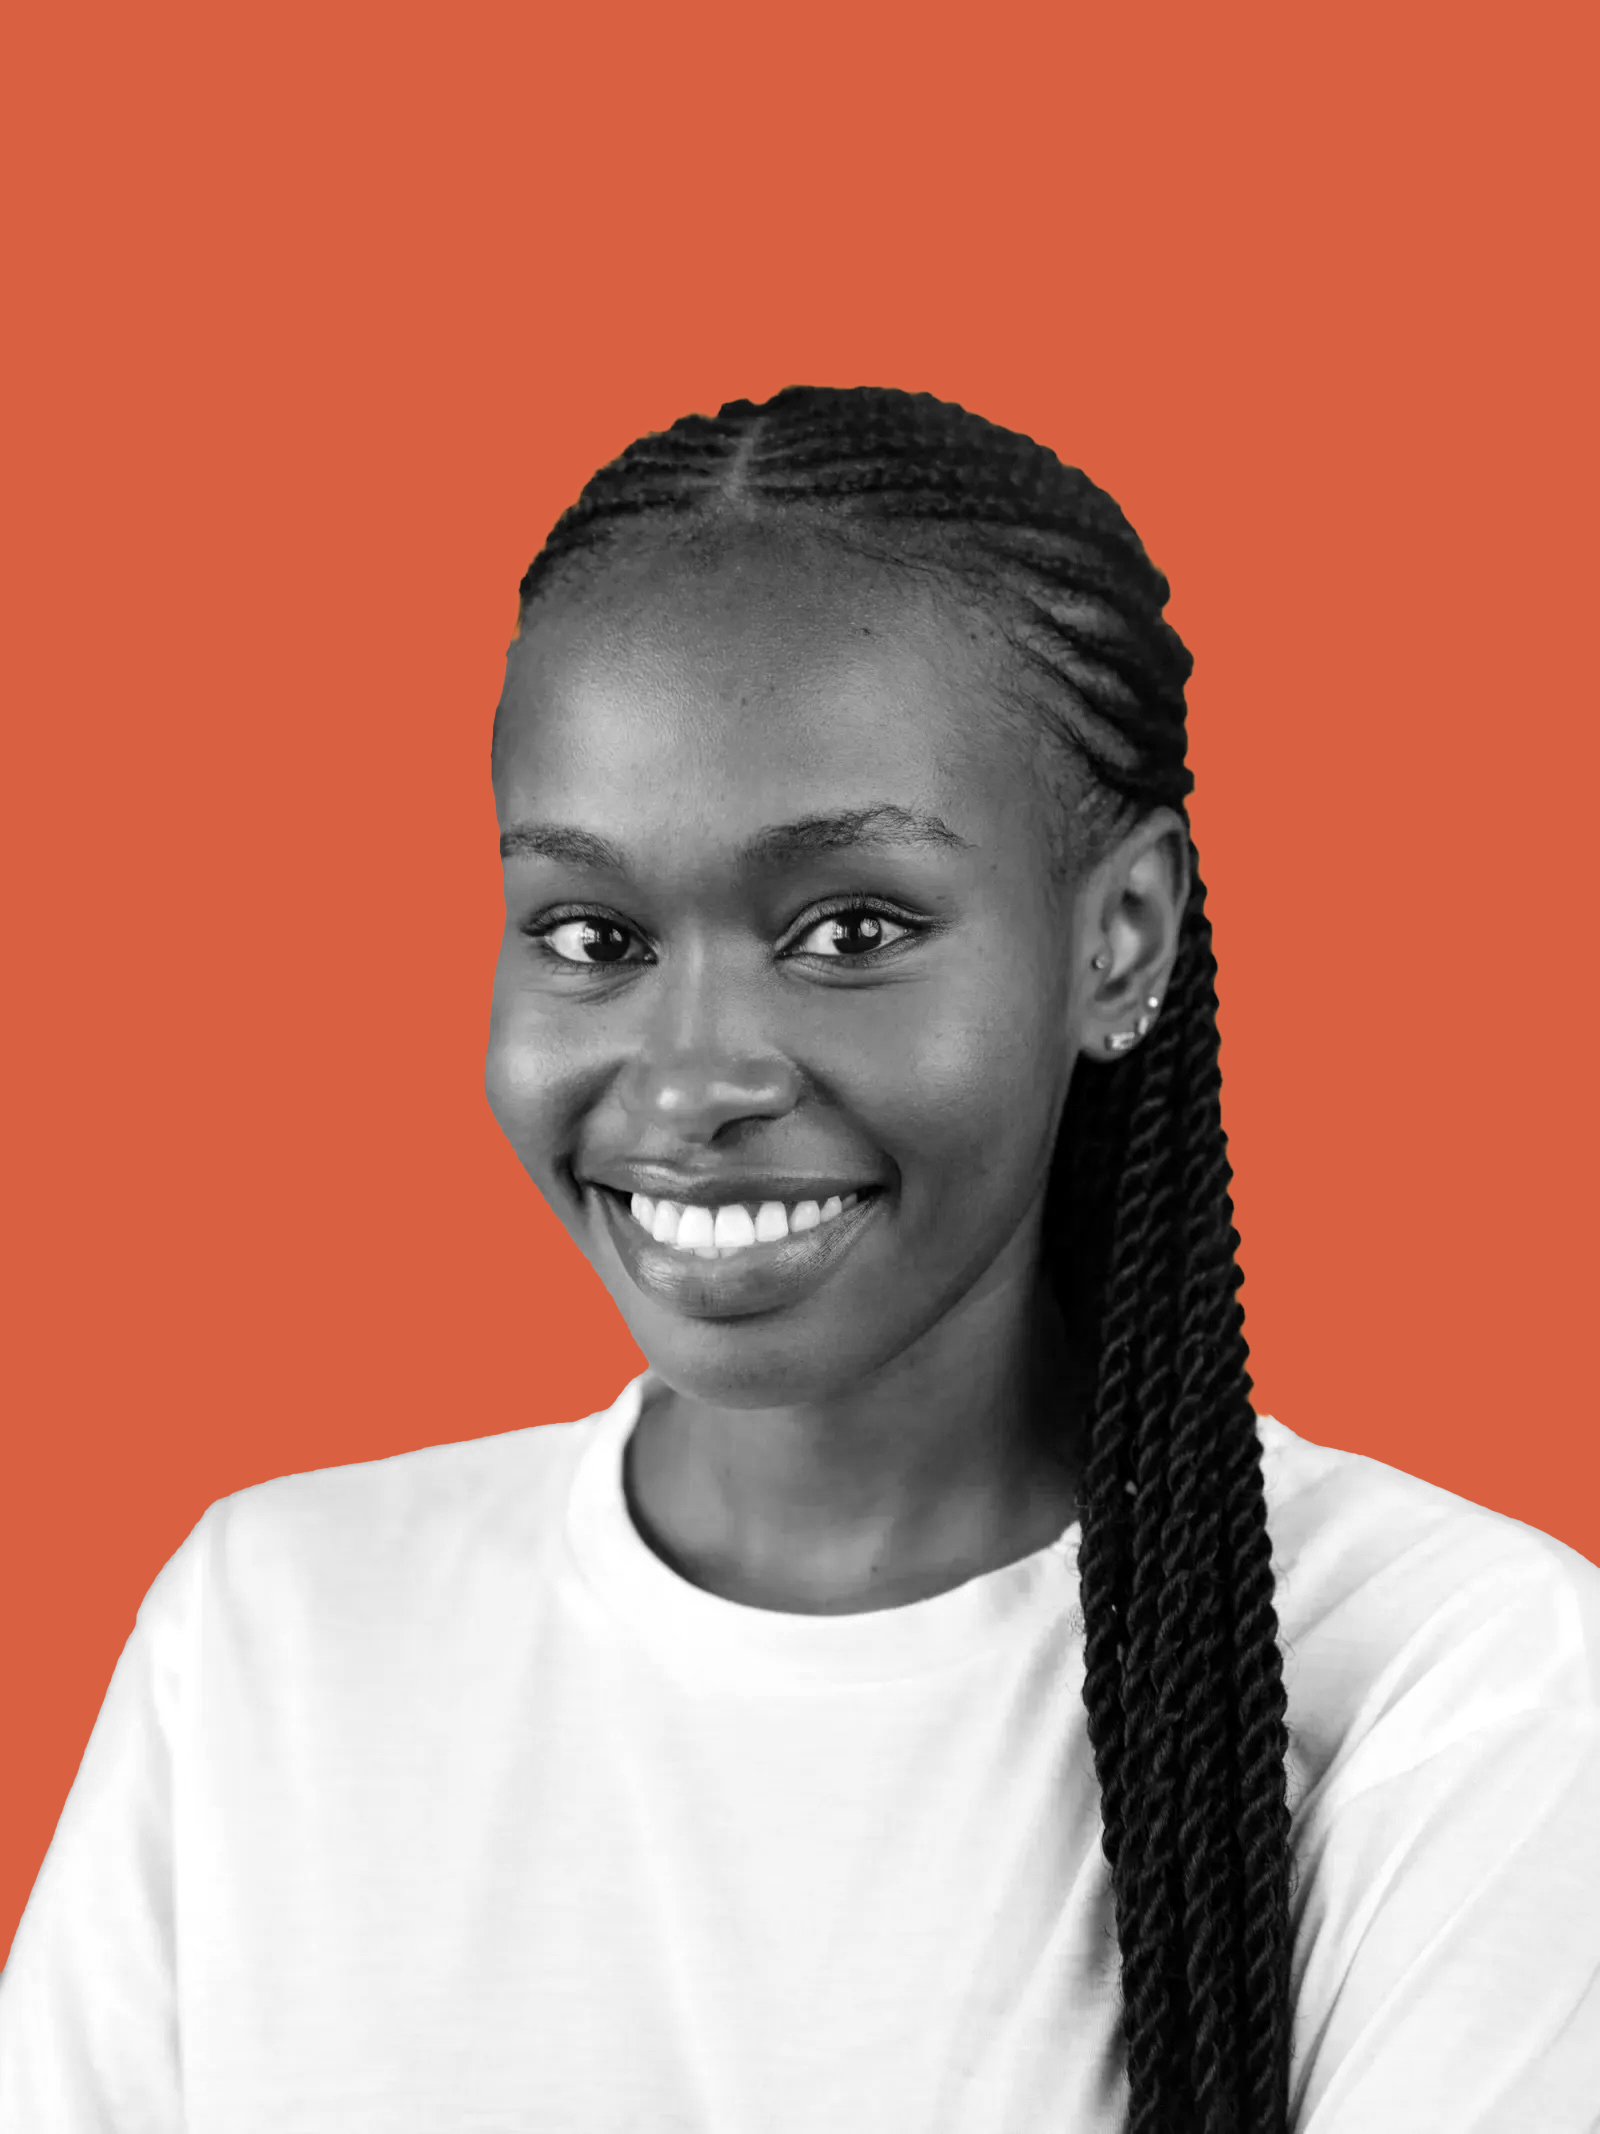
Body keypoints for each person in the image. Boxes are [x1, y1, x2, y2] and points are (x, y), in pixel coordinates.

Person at [2, 387, 1597, 2134]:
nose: (692, 1079)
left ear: (1120, 936)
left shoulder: (1450, 1687)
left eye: (851, 929)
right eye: (593, 933)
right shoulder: (269, 1633)